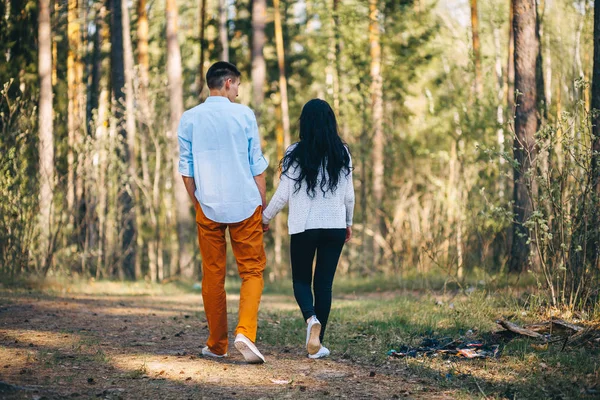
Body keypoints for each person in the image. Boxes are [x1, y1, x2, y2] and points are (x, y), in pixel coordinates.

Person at [178, 61, 268, 364]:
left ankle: (218, 345)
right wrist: (262, 203)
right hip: (245, 203)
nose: (239, 92)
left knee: (213, 276)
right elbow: (256, 164)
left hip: (209, 206)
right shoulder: (244, 115)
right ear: (228, 83)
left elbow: (186, 169)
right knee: (252, 271)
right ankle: (245, 333)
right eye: (238, 86)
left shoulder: (189, 118)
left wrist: (197, 202)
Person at [262, 99, 354, 359]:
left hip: (304, 226)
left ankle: (310, 318)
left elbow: (283, 194)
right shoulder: (342, 153)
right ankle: (317, 344)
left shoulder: (296, 152)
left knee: (301, 280)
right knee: (324, 285)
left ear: (305, 123)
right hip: (334, 225)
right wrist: (348, 222)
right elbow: (349, 195)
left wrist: (265, 218)